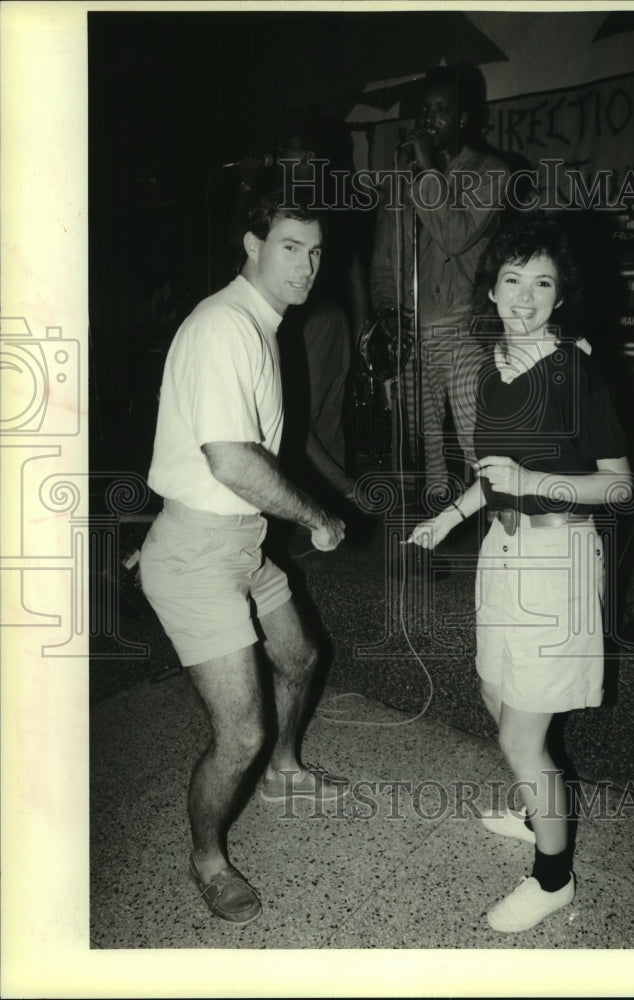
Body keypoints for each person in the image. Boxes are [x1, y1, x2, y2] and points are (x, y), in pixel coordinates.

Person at [408, 219, 632, 932]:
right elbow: (491, 474)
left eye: (543, 283)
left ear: (561, 295)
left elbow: (621, 488)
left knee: (520, 738)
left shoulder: (574, 372)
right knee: (494, 689)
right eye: (513, 280)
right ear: (490, 288)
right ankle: (542, 813)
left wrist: (532, 477)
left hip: (555, 561)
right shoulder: (489, 368)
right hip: (501, 556)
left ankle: (553, 876)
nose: (526, 297)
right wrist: (448, 518)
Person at [139, 191, 347, 926]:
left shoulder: (258, 323)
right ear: (252, 244)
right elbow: (230, 459)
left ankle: (285, 774)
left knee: (299, 656)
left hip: (239, 543)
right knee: (241, 734)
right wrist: (318, 515)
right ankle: (206, 859)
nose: (308, 265)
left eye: (316, 251)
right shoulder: (226, 325)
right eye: (291, 246)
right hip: (199, 555)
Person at [369, 63, 510, 494]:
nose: (430, 119)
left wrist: (428, 170)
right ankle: (433, 528)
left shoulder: (492, 172)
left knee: (475, 435)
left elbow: (454, 237)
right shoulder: (401, 184)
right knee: (423, 443)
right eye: (424, 111)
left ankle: (504, 525)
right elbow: (382, 261)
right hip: (415, 329)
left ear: (463, 118)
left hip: (467, 325)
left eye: (442, 109)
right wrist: (389, 312)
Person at [234, 120, 371, 508]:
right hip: (295, 318)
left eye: (287, 147)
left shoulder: (328, 196)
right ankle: (323, 496)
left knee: (305, 412)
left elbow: (354, 267)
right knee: (304, 411)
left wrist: (362, 331)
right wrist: (247, 183)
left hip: (321, 318)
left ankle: (332, 494)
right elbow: (239, 243)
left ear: (308, 155)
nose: (278, 154)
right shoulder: (278, 196)